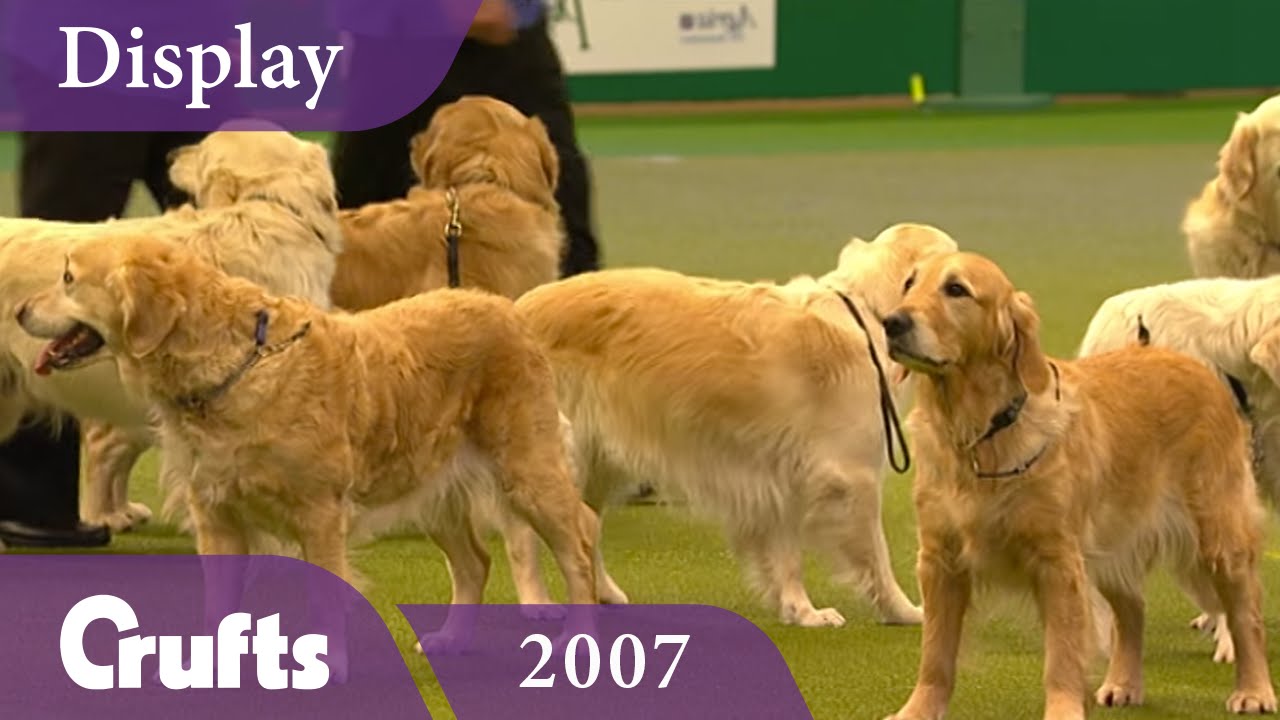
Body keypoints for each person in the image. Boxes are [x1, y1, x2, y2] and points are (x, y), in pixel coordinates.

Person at [0, 130, 205, 547]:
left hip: (191, 71)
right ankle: (33, 504)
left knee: (219, 257)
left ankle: (239, 500)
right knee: (67, 268)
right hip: (80, 77)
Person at [331, 0, 601, 276]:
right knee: (359, 222)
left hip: (502, 31)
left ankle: (572, 302)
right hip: (400, 32)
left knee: (556, 191)